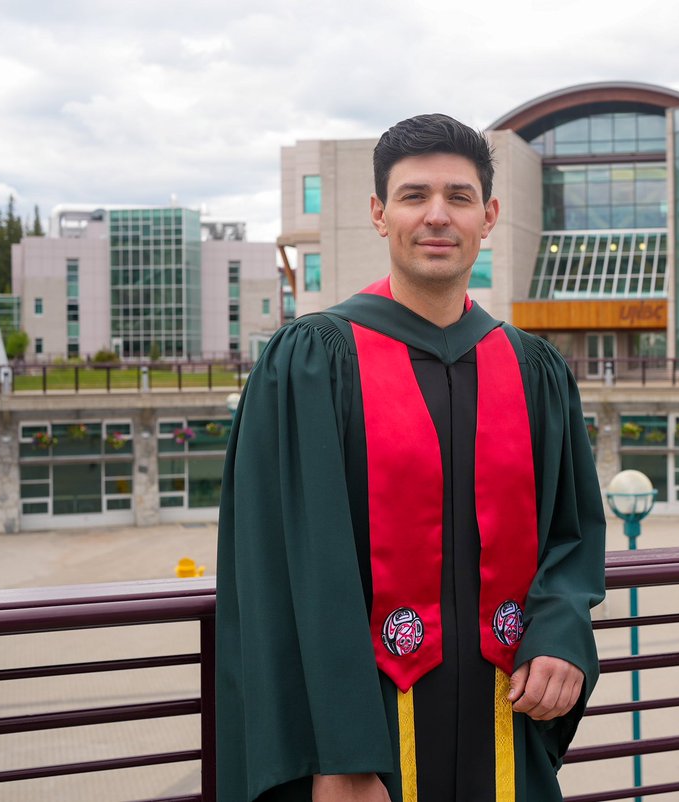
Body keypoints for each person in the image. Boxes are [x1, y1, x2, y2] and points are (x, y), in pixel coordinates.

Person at [216, 114, 607, 802]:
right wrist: (339, 758)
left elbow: (571, 537)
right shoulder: (312, 363)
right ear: (378, 213)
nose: (437, 216)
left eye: (458, 198)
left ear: (487, 218)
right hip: (364, 750)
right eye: (413, 196)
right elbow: (281, 572)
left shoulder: (532, 369)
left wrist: (562, 635)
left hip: (503, 724)